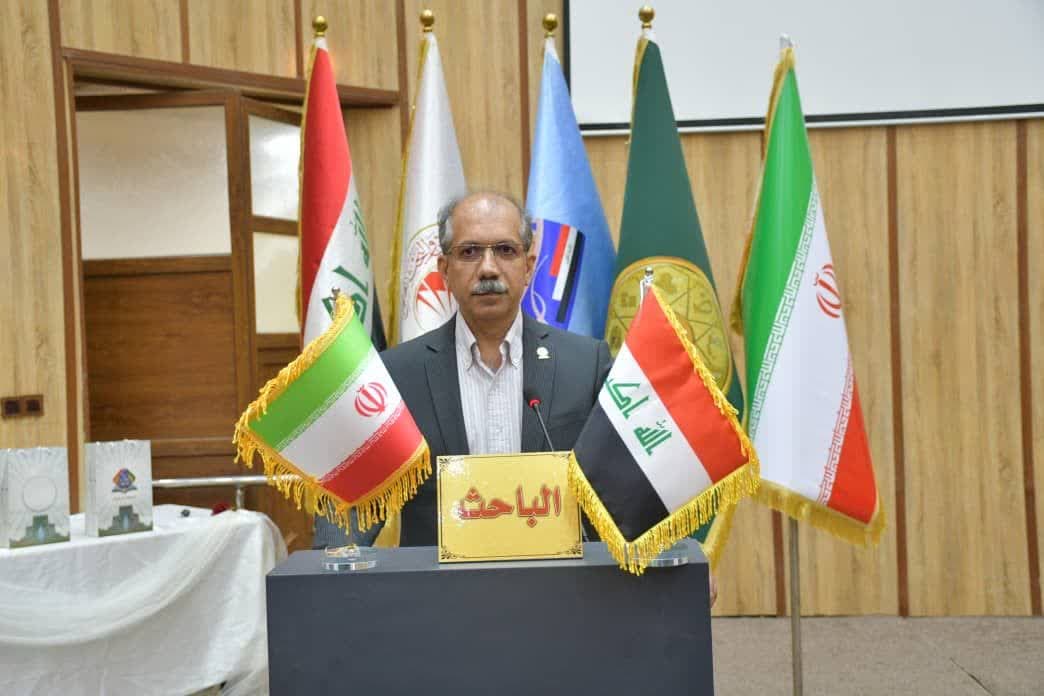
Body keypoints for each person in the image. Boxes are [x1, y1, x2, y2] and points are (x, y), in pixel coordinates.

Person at [314, 190, 610, 548]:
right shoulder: (396, 374)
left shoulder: (585, 365)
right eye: (469, 252)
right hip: (436, 581)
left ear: (529, 267)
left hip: (557, 577)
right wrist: (333, 562)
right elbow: (351, 507)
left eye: (505, 250)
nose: (488, 268)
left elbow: (617, 490)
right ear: (444, 270)